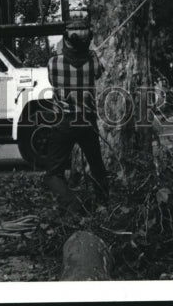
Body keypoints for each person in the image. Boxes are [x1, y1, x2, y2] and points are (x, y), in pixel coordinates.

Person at [45, 13, 109, 207]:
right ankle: (104, 206)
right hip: (87, 122)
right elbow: (99, 72)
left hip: (64, 122)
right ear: (88, 38)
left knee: (53, 174)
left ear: (67, 39)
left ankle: (73, 205)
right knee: (97, 167)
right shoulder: (93, 61)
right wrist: (90, 53)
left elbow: (52, 80)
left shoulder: (53, 63)